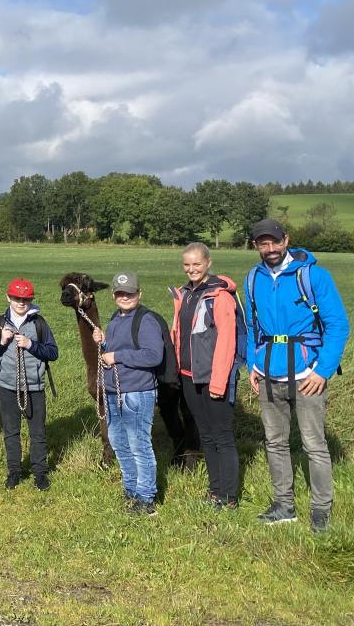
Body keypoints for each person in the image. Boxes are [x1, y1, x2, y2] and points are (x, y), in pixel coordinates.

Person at [245, 219, 349, 532]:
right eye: (263, 243)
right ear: (255, 246)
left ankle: (320, 510)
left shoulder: (313, 275)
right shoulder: (253, 278)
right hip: (268, 372)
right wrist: (253, 363)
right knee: (275, 442)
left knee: (314, 445)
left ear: (286, 240)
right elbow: (252, 326)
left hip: (307, 373)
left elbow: (338, 325)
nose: (270, 249)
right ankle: (283, 505)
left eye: (275, 242)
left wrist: (323, 370)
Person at [169, 243, 241, 510]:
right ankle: (215, 491)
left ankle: (230, 497)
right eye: (187, 265)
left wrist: (219, 380)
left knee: (222, 436)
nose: (191, 270)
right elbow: (178, 333)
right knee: (206, 436)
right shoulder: (185, 294)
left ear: (208, 263)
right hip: (189, 376)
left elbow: (227, 341)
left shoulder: (219, 296)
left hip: (213, 377)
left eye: (197, 264)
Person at [93, 271, 162, 516]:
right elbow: (115, 350)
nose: (125, 297)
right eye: (120, 293)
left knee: (139, 445)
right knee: (119, 442)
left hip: (137, 392)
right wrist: (103, 342)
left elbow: (154, 355)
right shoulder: (116, 318)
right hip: (114, 391)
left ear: (139, 294)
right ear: (114, 295)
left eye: (130, 293)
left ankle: (146, 498)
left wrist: (117, 356)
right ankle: (131, 489)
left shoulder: (145, 320)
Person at [0, 278, 58, 491]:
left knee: (38, 433)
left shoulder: (39, 323)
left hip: (34, 386)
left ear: (31, 300)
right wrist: (2, 342)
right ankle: (14, 472)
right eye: (16, 298)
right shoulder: (0, 322)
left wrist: (30, 344)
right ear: (8, 298)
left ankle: (40, 474)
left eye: (25, 299)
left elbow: (53, 353)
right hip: (7, 386)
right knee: (11, 431)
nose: (20, 302)